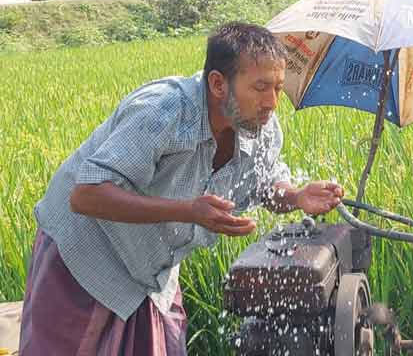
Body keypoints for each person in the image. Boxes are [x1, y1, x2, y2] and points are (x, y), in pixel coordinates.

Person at [18, 22, 344, 355]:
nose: (272, 102)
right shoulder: (164, 112)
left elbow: (265, 184)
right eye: (261, 87)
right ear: (218, 84)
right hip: (87, 256)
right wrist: (188, 211)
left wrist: (296, 196)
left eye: (277, 87)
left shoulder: (259, 125)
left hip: (151, 268)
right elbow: (86, 194)